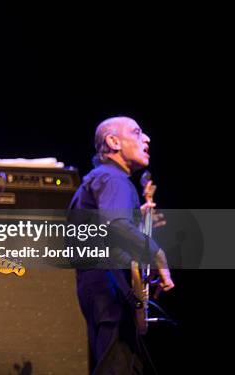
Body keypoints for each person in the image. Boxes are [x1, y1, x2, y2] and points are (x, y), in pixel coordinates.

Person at [68, 116, 175, 374]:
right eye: (137, 133)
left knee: (128, 365)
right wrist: (156, 254)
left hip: (102, 285)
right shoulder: (112, 178)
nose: (146, 139)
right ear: (113, 142)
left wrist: (134, 223)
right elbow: (114, 224)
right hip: (110, 287)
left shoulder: (103, 178)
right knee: (116, 366)